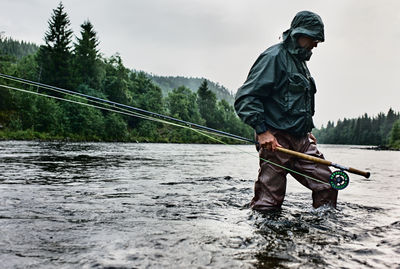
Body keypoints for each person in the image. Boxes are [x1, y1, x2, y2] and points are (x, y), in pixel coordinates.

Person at [234, 11, 338, 212]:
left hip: (302, 141)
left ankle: (322, 235)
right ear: (299, 34)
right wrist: (263, 132)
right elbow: (246, 98)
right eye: (313, 39)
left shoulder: (301, 63)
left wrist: (305, 131)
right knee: (269, 203)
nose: (316, 44)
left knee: (328, 184)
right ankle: (267, 239)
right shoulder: (273, 57)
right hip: (275, 141)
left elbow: (294, 103)